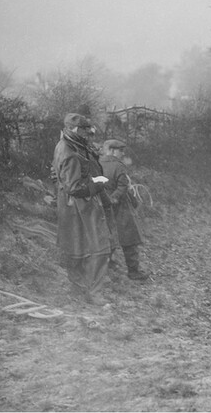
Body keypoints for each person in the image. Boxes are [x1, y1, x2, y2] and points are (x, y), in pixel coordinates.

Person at [52, 112, 113, 304]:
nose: (88, 132)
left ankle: (81, 290)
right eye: (84, 129)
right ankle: (94, 294)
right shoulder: (70, 151)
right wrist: (98, 184)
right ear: (72, 129)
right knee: (99, 249)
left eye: (88, 129)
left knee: (78, 248)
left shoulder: (73, 144)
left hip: (76, 206)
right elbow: (74, 187)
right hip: (80, 206)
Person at [100, 138, 149, 281]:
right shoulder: (119, 166)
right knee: (130, 238)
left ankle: (106, 268)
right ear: (112, 150)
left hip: (103, 206)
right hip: (120, 206)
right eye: (120, 150)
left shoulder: (97, 163)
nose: (122, 153)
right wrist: (114, 198)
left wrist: (106, 200)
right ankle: (133, 271)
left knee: (107, 237)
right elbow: (122, 186)